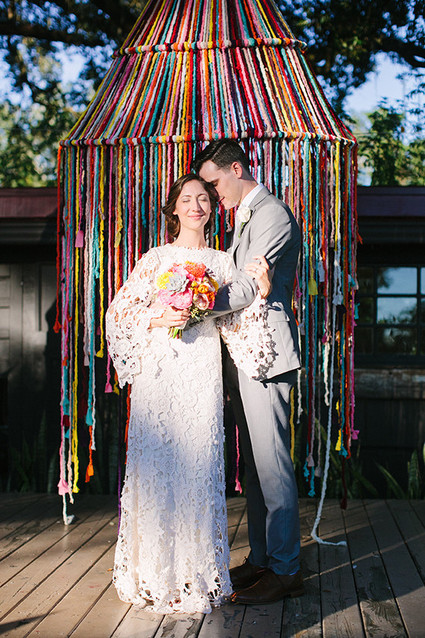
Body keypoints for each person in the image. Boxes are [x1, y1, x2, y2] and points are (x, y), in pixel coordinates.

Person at [105, 173, 270, 614]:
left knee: (199, 464)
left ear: (212, 209)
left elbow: (237, 320)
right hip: (160, 372)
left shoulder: (222, 262)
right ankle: (153, 572)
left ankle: (195, 574)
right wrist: (162, 316)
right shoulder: (156, 258)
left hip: (201, 372)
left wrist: (261, 291)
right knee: (157, 465)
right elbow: (119, 313)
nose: (196, 206)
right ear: (174, 208)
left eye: (204, 199)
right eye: (187, 199)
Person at [193, 140, 304, 605]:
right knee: (255, 467)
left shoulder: (273, 214)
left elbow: (243, 289)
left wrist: (191, 305)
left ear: (236, 169)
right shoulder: (244, 218)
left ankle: (286, 569)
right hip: (243, 355)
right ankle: (262, 559)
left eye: (215, 183)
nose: (212, 194)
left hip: (266, 356)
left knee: (273, 466)